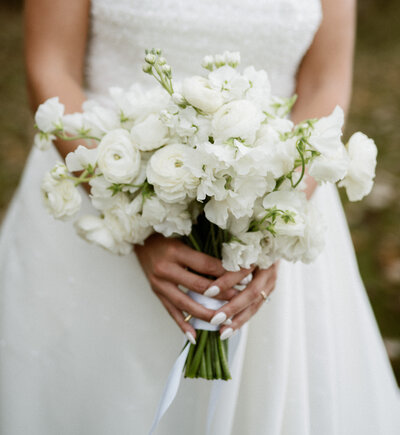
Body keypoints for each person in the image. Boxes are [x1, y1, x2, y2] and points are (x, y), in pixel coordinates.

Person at [0, 0, 399, 434]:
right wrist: (132, 218)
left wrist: (270, 223)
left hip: (276, 192)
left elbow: (325, 83)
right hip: (98, 186)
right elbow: (51, 67)